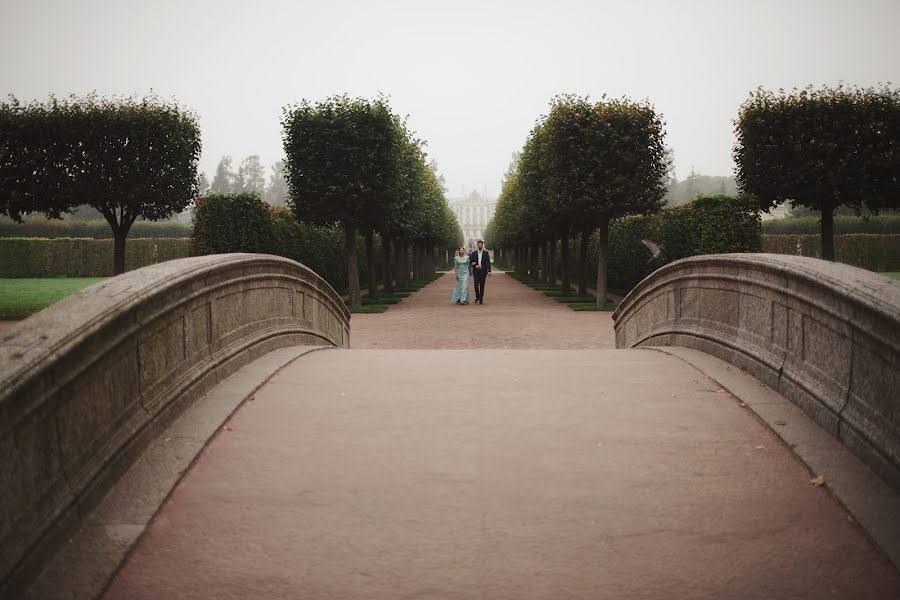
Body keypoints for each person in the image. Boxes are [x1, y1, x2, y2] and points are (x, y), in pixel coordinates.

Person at [468, 240, 491, 304]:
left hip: (483, 271)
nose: (480, 246)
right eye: (478, 245)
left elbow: (488, 262)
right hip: (476, 271)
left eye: (481, 245)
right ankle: (477, 296)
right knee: (475, 285)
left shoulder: (486, 253)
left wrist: (489, 271)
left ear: (482, 245)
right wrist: (475, 265)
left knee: (482, 285)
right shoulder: (474, 253)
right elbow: (470, 262)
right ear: (477, 246)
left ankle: (481, 299)